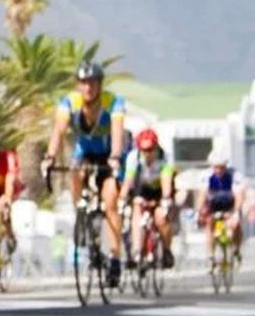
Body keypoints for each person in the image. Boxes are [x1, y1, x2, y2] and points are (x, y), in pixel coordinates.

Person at [44, 58, 127, 285]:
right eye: (83, 82)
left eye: (92, 83)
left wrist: (116, 157)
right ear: (78, 85)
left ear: (100, 84)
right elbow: (58, 131)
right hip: (86, 153)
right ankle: (81, 211)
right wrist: (50, 157)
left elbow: (118, 133)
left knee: (110, 201)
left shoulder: (113, 102)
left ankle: (115, 257)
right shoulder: (69, 102)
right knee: (76, 171)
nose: (88, 88)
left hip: (109, 154)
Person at [120, 128, 177, 265]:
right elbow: (128, 180)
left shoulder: (165, 157)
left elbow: (166, 180)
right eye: (144, 150)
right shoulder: (133, 157)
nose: (147, 153)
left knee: (161, 218)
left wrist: (165, 199)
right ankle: (136, 251)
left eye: (151, 149)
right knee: (137, 209)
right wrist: (121, 199)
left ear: (156, 147)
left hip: (159, 190)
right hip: (142, 189)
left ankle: (167, 250)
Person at [201, 150, 244, 255]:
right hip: (214, 206)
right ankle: (211, 254)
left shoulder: (234, 174)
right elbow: (202, 194)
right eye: (216, 167)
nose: (219, 170)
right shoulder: (207, 175)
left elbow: (239, 196)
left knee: (236, 224)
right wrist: (201, 210)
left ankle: (237, 248)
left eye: (222, 167)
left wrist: (236, 212)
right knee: (209, 223)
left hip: (230, 205)